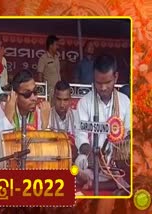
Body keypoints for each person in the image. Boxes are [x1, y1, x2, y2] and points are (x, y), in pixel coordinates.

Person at [75, 54, 130, 192]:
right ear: (93, 78)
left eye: (108, 82)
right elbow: (80, 136)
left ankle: (94, 185)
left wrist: (121, 149)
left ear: (116, 77)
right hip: (92, 163)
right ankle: (111, 185)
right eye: (99, 83)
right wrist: (91, 154)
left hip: (117, 163)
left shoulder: (125, 102)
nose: (103, 87)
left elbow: (129, 133)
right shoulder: (84, 102)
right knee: (79, 163)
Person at [0, 70, 51, 161]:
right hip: (9, 162)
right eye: (27, 94)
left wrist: (45, 125)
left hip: (32, 163)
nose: (33, 98)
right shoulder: (5, 109)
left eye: (35, 92)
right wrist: (7, 119)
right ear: (14, 95)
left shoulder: (40, 111)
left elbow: (47, 150)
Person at [49, 80, 78, 161]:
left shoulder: (76, 116)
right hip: (52, 159)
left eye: (65, 100)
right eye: (59, 99)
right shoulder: (47, 116)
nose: (62, 105)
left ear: (70, 99)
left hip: (72, 160)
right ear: (54, 98)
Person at [37, 35, 61, 105]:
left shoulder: (57, 58)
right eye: (56, 45)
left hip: (58, 90)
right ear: (50, 46)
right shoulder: (43, 58)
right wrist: (42, 90)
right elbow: (40, 75)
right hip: (49, 92)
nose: (58, 47)